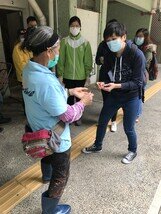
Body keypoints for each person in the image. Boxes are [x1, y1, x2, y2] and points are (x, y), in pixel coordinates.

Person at [22, 26, 93, 214]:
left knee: (46, 156)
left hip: (38, 132)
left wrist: (70, 91)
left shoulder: (29, 70)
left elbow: (45, 98)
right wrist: (83, 102)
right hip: (55, 138)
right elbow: (68, 115)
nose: (59, 52)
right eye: (58, 48)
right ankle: (50, 210)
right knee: (61, 176)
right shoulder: (44, 81)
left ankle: (45, 176)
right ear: (48, 50)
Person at [82, 22, 145, 164]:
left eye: (114, 39)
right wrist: (101, 82)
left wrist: (116, 85)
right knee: (102, 121)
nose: (110, 43)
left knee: (129, 127)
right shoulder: (109, 54)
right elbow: (106, 72)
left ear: (123, 37)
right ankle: (97, 145)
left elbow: (138, 82)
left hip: (131, 96)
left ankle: (133, 150)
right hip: (115, 95)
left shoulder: (136, 54)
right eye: (108, 40)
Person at [57, 16, 93, 126]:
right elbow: (61, 59)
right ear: (69, 27)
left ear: (80, 27)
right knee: (68, 97)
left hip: (80, 76)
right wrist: (60, 74)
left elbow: (88, 60)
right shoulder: (64, 41)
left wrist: (87, 74)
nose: (74, 27)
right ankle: (67, 117)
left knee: (79, 98)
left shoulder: (85, 42)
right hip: (67, 76)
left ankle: (78, 117)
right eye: (72, 26)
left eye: (77, 26)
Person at [96, 19, 118, 132]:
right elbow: (97, 61)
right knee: (106, 100)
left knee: (114, 100)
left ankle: (113, 121)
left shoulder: (119, 45)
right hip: (105, 76)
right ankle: (104, 120)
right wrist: (101, 59)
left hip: (116, 77)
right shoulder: (102, 45)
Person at [134, 28, 155, 122]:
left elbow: (144, 63)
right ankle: (133, 112)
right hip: (133, 74)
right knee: (133, 95)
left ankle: (137, 115)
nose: (138, 38)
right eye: (137, 36)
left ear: (145, 37)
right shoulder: (134, 45)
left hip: (142, 75)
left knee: (139, 94)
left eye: (140, 36)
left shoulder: (148, 49)